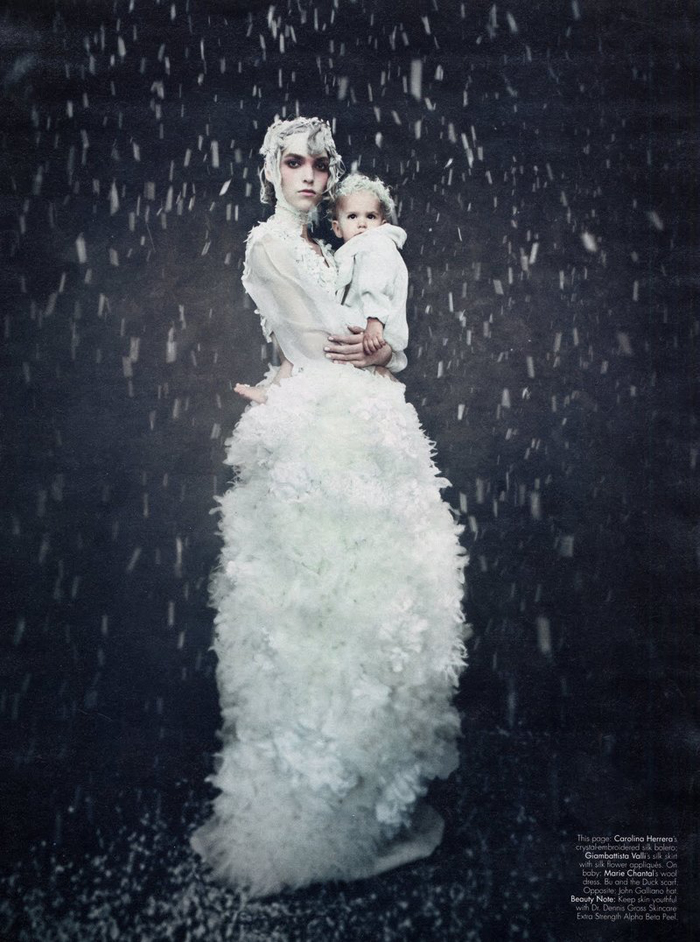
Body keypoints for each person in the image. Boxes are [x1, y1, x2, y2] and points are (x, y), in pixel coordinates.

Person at [191, 116, 468, 899]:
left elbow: (333, 339)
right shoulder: (270, 244)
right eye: (294, 163)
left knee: (372, 612)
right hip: (326, 432)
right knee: (317, 614)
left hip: (356, 421)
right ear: (271, 171)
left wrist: (379, 346)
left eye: (320, 165)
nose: (309, 177)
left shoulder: (331, 243)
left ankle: (361, 804)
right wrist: (382, 348)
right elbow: (324, 339)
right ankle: (314, 817)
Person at [331, 172, 409, 372]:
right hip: (366, 334)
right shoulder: (355, 251)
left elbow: (376, 282)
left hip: (373, 329)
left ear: (383, 224)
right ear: (337, 228)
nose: (362, 224)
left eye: (370, 216)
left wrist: (375, 320)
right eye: (352, 216)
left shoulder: (376, 243)